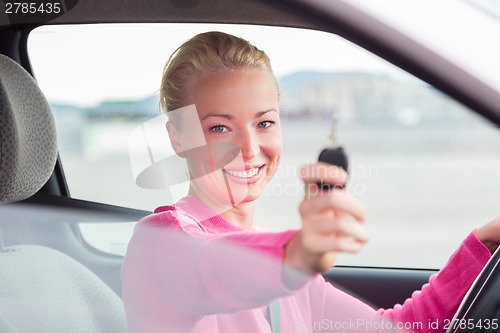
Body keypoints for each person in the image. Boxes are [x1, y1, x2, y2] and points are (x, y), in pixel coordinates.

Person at [122, 31, 500, 333]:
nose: (249, 149)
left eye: (264, 123)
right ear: (178, 137)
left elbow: (397, 330)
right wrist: (300, 253)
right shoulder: (162, 242)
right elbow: (215, 269)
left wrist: (482, 244)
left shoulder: (297, 283)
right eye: (219, 127)